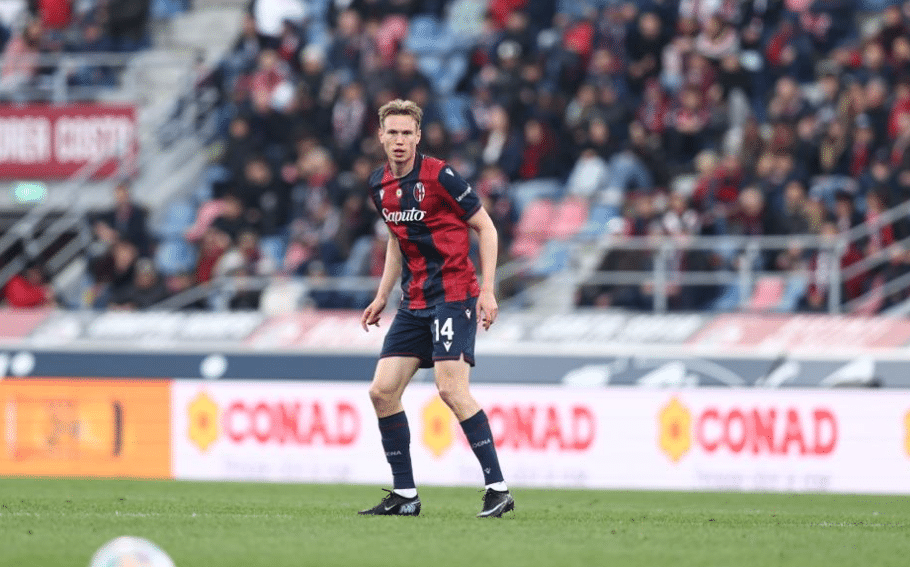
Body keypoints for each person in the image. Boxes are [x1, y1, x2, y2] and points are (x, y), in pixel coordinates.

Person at [358, 99, 514, 518]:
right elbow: (396, 239)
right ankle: (406, 495)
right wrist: (381, 295)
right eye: (392, 132)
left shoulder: (441, 175)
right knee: (382, 391)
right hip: (414, 302)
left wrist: (487, 290)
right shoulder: (379, 185)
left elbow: (486, 227)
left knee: (451, 389)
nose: (399, 140)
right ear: (381, 136)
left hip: (454, 296)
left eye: (407, 133)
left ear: (418, 137)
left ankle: (497, 488)